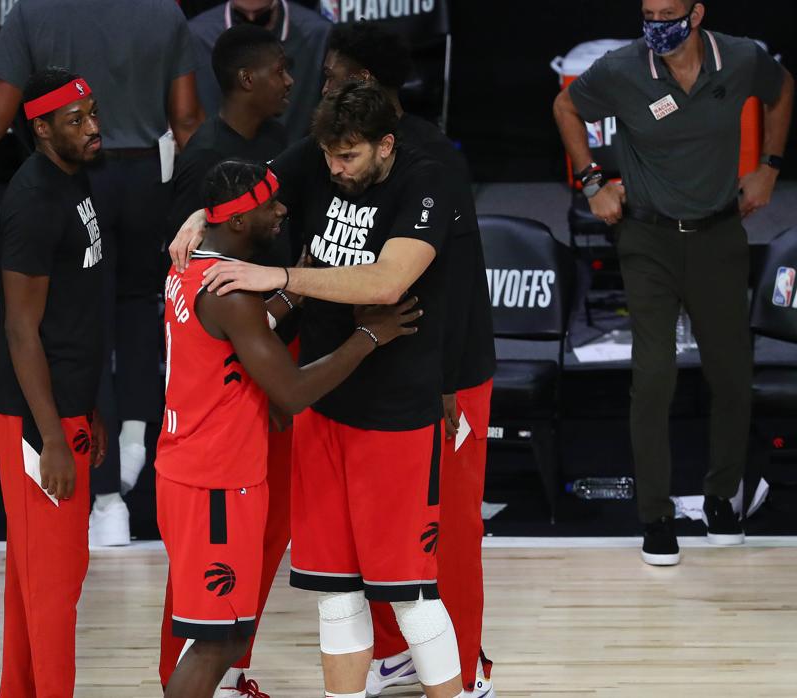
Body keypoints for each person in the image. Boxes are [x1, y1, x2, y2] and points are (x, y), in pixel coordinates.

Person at [170, 82, 463, 698]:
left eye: (349, 157)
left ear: (385, 146)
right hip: (323, 407)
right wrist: (201, 214)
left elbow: (387, 283)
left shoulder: (427, 180)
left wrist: (279, 275)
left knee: (410, 593)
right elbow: (245, 193)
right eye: (329, 155)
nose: (334, 168)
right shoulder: (319, 156)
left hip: (394, 413)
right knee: (334, 589)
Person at [0, 0, 204, 546]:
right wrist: (203, 200)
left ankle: (109, 500)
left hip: (81, 176)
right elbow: (187, 119)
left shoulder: (31, 13)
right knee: (144, 312)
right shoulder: (164, 11)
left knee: (84, 320)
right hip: (149, 176)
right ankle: (137, 445)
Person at [553, 0, 793, 566]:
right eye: (648, 12)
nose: (656, 23)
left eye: (668, 12)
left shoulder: (737, 59)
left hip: (718, 235)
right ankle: (656, 518)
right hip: (648, 239)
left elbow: (782, 89)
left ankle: (720, 498)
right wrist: (593, 183)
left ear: (696, 14)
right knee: (654, 376)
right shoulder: (623, 67)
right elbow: (566, 106)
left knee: (731, 375)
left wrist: (770, 166)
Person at [320, 22, 497, 698]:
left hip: (448, 374)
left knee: (448, 532)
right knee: (389, 538)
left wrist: (447, 383)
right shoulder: (340, 149)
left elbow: (447, 285)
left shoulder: (431, 158)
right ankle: (398, 656)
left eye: (336, 74)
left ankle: (470, 670)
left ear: (366, 80)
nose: (325, 84)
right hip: (386, 368)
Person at [158, 24, 294, 696]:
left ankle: (214, 676)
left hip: (219, 433)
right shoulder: (204, 159)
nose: (291, 82)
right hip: (212, 464)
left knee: (225, 629)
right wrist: (369, 335)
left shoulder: (270, 152)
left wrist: (291, 291)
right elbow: (200, 270)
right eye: (280, 70)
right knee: (209, 637)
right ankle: (184, 676)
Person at [0, 67, 108, 698]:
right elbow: (21, 330)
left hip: (68, 406)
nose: (93, 128)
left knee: (34, 574)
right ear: (40, 128)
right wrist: (53, 436)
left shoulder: (73, 178)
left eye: (92, 114)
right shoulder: (32, 201)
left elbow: (81, 310)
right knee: (55, 580)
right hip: (38, 417)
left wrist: (91, 409)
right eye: (76, 120)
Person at [187, 0, 331, 141]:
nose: (289, 81)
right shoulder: (196, 36)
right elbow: (186, 118)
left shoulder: (320, 35)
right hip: (220, 157)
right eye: (241, 18)